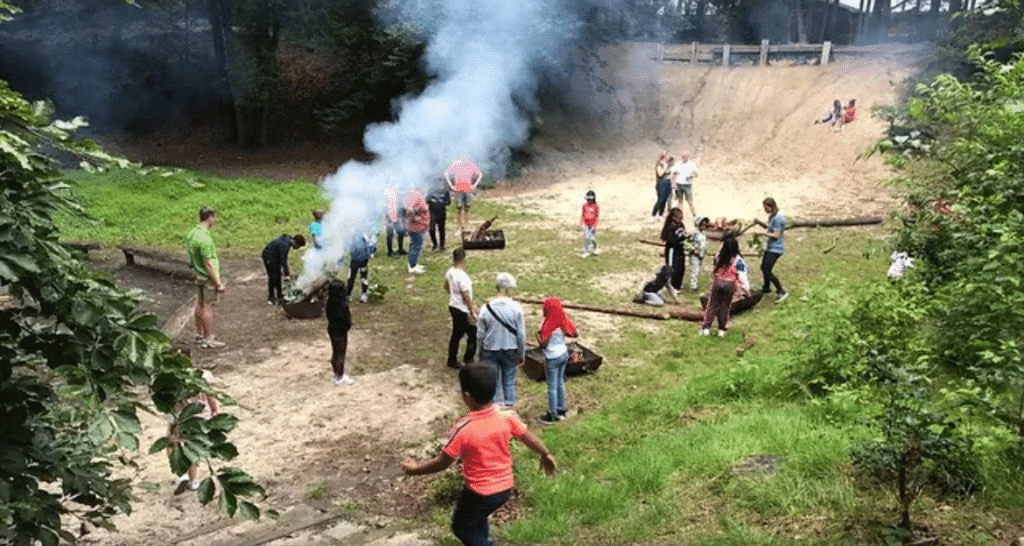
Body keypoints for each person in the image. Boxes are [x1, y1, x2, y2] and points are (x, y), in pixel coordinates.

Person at [401, 363, 556, 546]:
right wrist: (545, 454)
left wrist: (414, 470)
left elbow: (443, 463)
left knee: (462, 528)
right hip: (505, 488)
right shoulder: (505, 416)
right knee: (476, 520)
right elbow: (527, 437)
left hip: (479, 493)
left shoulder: (463, 429)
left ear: (466, 397)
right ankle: (484, 540)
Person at [476, 273, 526, 409]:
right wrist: (522, 353)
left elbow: (480, 334)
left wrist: (479, 351)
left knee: (493, 383)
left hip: (490, 349)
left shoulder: (485, 309)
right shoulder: (517, 308)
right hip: (510, 349)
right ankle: (509, 411)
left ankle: (495, 412)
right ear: (508, 289)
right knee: (509, 382)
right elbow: (521, 335)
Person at [170, 370, 219, 494]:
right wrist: (215, 411)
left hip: (182, 417)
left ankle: (186, 477)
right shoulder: (203, 375)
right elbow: (210, 395)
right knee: (191, 447)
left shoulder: (173, 377)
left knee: (173, 443)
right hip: (200, 416)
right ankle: (192, 481)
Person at [185, 206, 226, 349]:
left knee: (200, 304)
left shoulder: (192, 233)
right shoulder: (205, 239)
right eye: (213, 217)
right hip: (207, 276)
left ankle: (199, 334)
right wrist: (218, 283)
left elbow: (190, 254)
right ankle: (208, 339)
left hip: (198, 274)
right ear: (209, 217)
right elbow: (208, 263)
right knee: (207, 307)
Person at [537, 297, 578, 423]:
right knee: (560, 382)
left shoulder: (550, 325)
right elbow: (574, 333)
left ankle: (552, 414)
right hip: (563, 354)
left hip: (552, 357)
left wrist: (537, 334)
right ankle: (561, 409)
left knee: (552, 387)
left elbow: (543, 344)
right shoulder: (563, 321)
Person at [700, 235, 749, 337]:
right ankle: (721, 330)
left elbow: (715, 269)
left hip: (718, 282)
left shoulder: (717, 256)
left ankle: (706, 328)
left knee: (712, 306)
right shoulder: (738, 260)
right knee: (725, 307)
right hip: (730, 284)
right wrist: (746, 290)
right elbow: (742, 277)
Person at [444, 248, 477, 369]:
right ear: (464, 259)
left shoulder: (450, 272)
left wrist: (453, 294)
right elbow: (465, 296)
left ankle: (453, 358)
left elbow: (446, 286)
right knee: (471, 333)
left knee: (457, 334)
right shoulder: (463, 277)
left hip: (453, 305)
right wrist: (472, 309)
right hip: (462, 309)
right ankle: (467, 358)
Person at [261, 233, 306, 305]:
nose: (298, 248)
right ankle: (271, 297)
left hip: (275, 256)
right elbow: (283, 260)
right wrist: (287, 274)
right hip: (268, 256)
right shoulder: (284, 245)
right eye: (298, 246)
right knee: (273, 277)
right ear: (296, 243)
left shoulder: (288, 241)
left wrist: (286, 272)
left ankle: (279, 295)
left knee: (278, 275)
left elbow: (283, 260)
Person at [445, 157, 483, 238]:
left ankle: (466, 226)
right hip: (458, 190)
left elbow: (480, 174)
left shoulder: (470, 165)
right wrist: (452, 186)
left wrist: (474, 185)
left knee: (467, 208)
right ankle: (459, 228)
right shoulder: (456, 164)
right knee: (459, 209)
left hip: (468, 190)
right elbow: (446, 174)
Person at [759, 197, 788, 302]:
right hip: (770, 247)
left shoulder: (778, 218)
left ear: (771, 207)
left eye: (766, 208)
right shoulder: (772, 216)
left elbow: (776, 235)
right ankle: (766, 287)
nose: (765, 210)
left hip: (776, 249)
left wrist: (763, 234)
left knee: (767, 270)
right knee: (763, 267)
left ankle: (781, 291)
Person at [660, 207, 687, 295]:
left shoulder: (681, 225)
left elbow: (683, 235)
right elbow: (671, 241)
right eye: (679, 218)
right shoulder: (670, 227)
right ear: (673, 218)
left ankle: (677, 285)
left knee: (681, 267)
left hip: (680, 249)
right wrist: (680, 238)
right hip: (672, 250)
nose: (681, 220)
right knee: (672, 267)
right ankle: (670, 286)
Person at [347, 229, 376, 303]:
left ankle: (364, 294)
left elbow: (370, 242)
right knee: (351, 277)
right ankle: (348, 294)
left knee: (363, 277)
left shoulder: (363, 233)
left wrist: (371, 252)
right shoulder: (351, 233)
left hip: (363, 258)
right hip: (354, 259)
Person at [405, 187, 430, 274]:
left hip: (418, 227)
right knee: (416, 246)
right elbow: (410, 210)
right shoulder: (414, 196)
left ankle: (413, 263)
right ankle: (412, 266)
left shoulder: (416, 196)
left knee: (415, 245)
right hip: (416, 228)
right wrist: (415, 218)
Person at [670, 151, 697, 219]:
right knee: (680, 201)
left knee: (690, 201)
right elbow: (673, 172)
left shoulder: (691, 164)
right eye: (683, 156)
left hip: (688, 185)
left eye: (685, 156)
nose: (684, 158)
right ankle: (680, 216)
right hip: (679, 184)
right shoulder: (678, 164)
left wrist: (691, 176)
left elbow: (696, 173)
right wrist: (674, 183)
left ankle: (694, 215)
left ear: (688, 157)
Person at [427, 179, 451, 252]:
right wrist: (433, 201)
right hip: (432, 212)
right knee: (431, 229)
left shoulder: (445, 191)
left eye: (440, 182)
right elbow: (427, 199)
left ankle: (442, 246)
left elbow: (448, 202)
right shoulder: (431, 190)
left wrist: (442, 202)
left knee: (441, 229)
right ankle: (435, 245)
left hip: (441, 211)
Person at [688, 215, 711, 291]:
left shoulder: (703, 233)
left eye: (705, 224)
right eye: (702, 224)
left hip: (701, 254)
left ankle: (695, 284)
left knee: (698, 270)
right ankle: (693, 286)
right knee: (695, 270)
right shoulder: (694, 232)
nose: (704, 225)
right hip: (695, 255)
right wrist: (693, 249)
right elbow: (687, 243)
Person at [384, 186, 406, 258]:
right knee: (390, 234)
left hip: (397, 215)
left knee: (401, 232)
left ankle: (400, 249)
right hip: (389, 217)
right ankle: (390, 252)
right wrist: (389, 217)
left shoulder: (397, 193)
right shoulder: (386, 193)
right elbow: (385, 206)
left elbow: (400, 204)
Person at [652, 151, 674, 218]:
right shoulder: (659, 164)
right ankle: (654, 214)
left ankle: (661, 214)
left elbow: (669, 173)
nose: (667, 157)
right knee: (660, 199)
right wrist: (665, 167)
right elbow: (660, 174)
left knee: (665, 199)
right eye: (666, 156)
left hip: (667, 182)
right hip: (661, 183)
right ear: (663, 157)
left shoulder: (666, 164)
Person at [580, 190, 600, 257]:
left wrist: (594, 225)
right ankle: (586, 251)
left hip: (592, 225)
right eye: (587, 199)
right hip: (586, 224)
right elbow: (583, 215)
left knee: (593, 238)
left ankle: (595, 248)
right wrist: (582, 223)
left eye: (590, 199)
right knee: (586, 238)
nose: (588, 201)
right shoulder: (584, 206)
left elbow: (596, 217)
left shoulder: (596, 206)